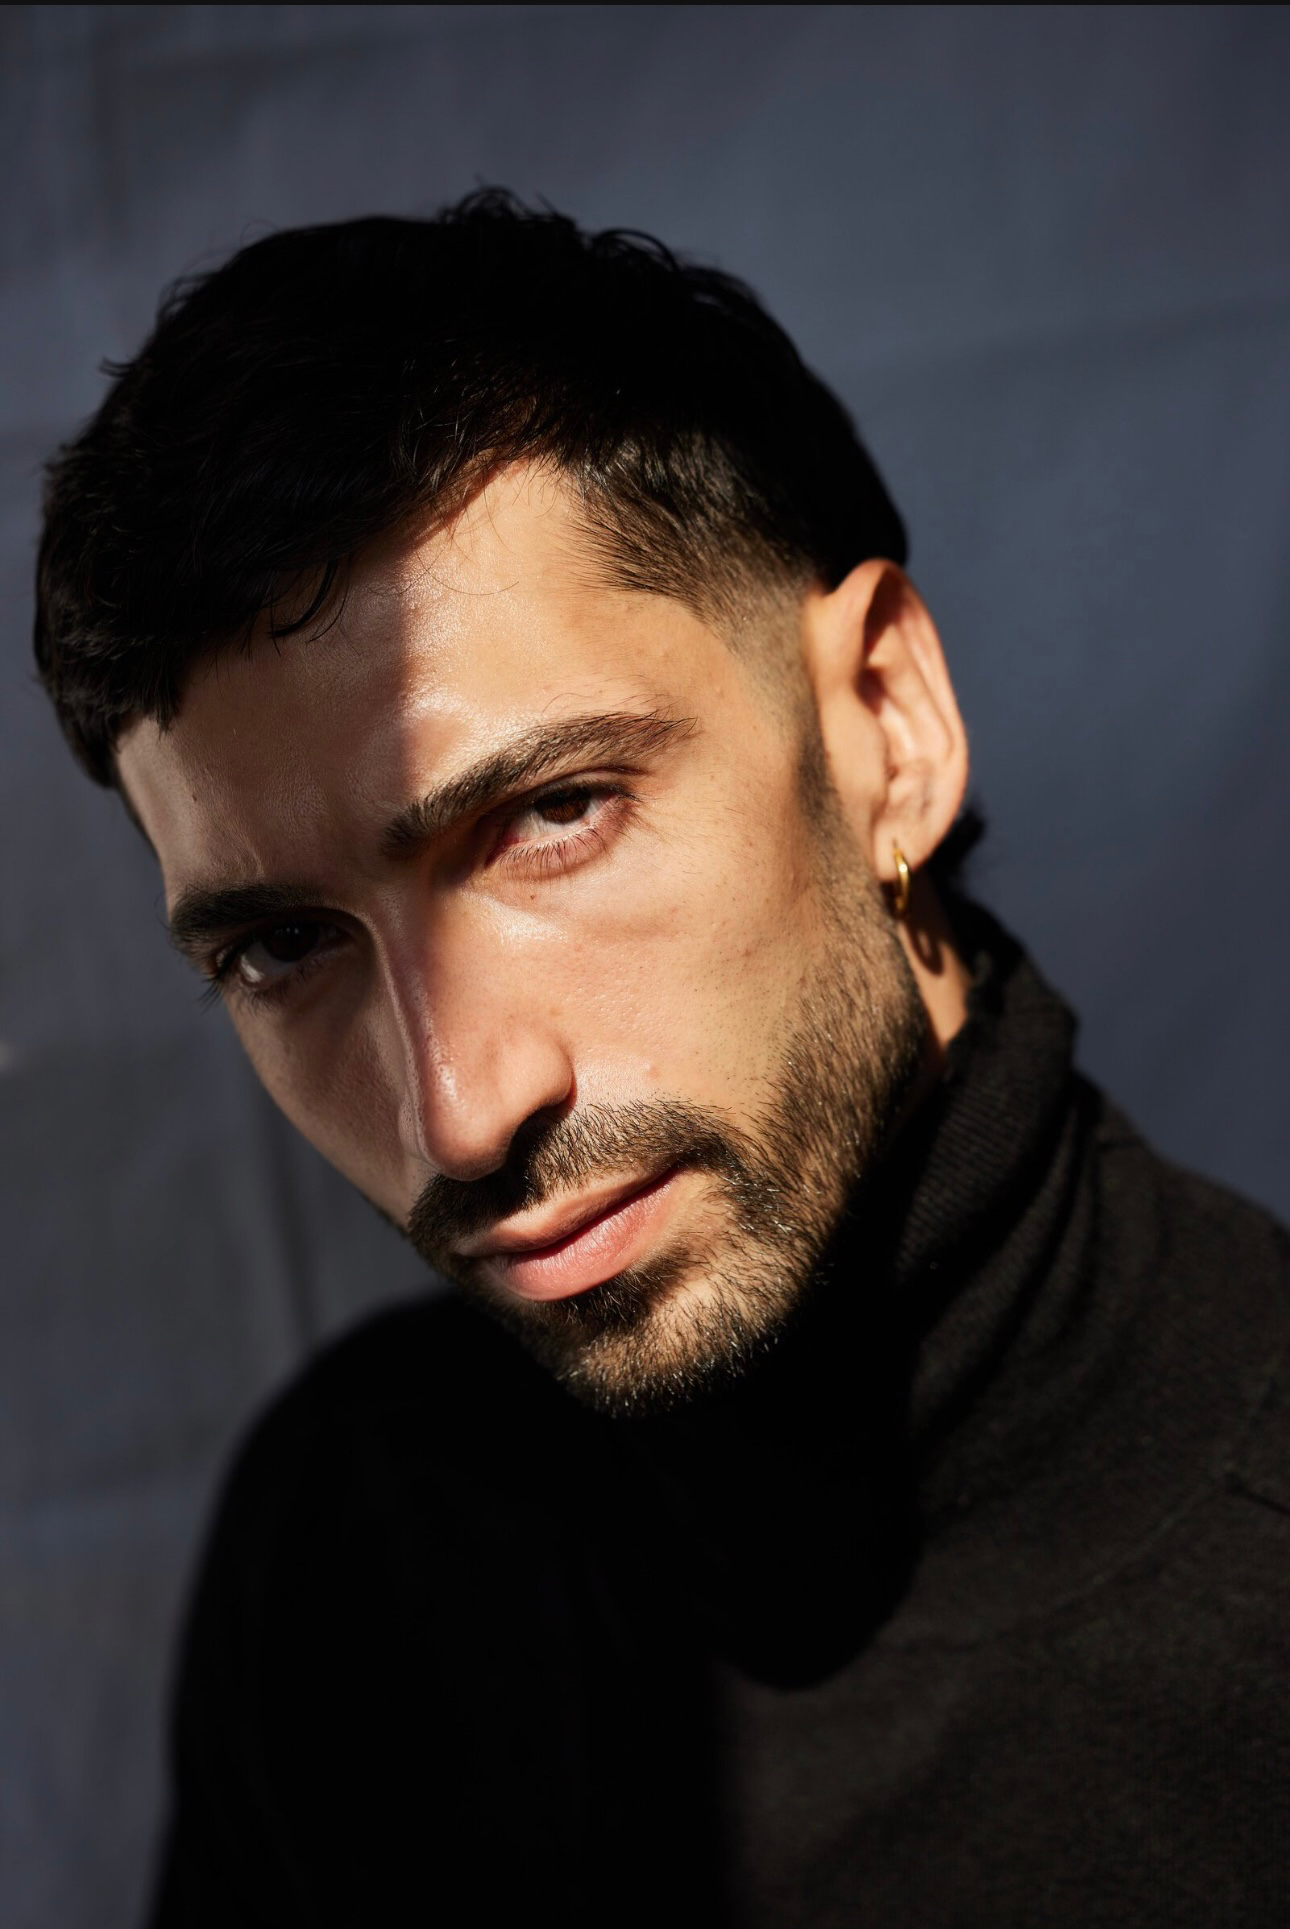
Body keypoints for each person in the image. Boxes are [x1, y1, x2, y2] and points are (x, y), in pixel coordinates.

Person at [34, 191, 1288, 1928]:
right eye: (279, 945)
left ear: (887, 730)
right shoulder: (355, 1529)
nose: (459, 1112)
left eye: (554, 815)